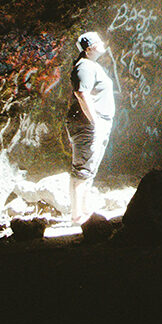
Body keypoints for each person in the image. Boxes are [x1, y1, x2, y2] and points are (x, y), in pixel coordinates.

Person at [65, 31, 115, 224]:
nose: (103, 43)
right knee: (82, 168)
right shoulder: (84, 66)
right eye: (98, 42)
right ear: (89, 48)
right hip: (88, 124)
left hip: (96, 123)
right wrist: (94, 121)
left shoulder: (91, 66)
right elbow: (81, 93)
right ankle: (77, 215)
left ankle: (84, 210)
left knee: (89, 167)